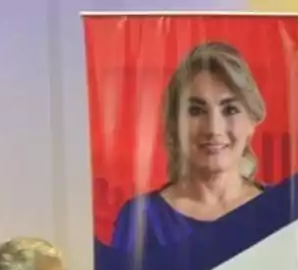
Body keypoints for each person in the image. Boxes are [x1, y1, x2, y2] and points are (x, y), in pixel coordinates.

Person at [111, 41, 266, 251]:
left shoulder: (277, 212)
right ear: (174, 123)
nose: (213, 128)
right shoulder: (140, 219)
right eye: (196, 111)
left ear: (252, 121)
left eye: (230, 110)